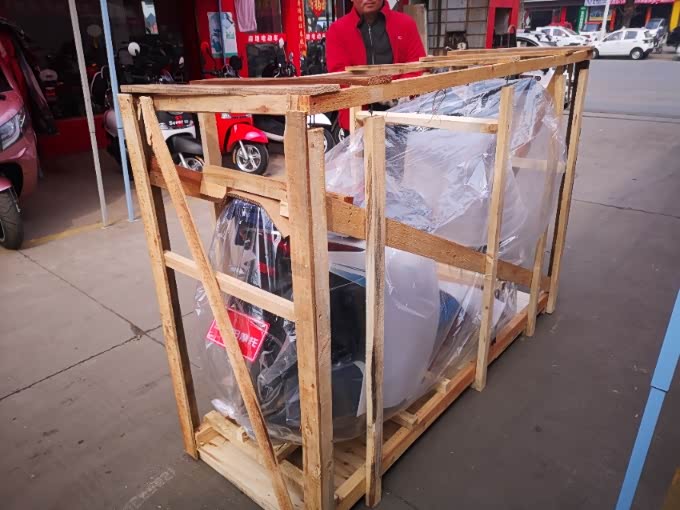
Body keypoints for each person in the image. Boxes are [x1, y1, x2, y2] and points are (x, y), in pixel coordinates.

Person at [326, 0, 426, 130]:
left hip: (400, 116)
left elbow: (416, 66)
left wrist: (395, 94)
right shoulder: (337, 30)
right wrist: (374, 93)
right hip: (356, 120)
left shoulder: (405, 24)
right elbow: (339, 75)